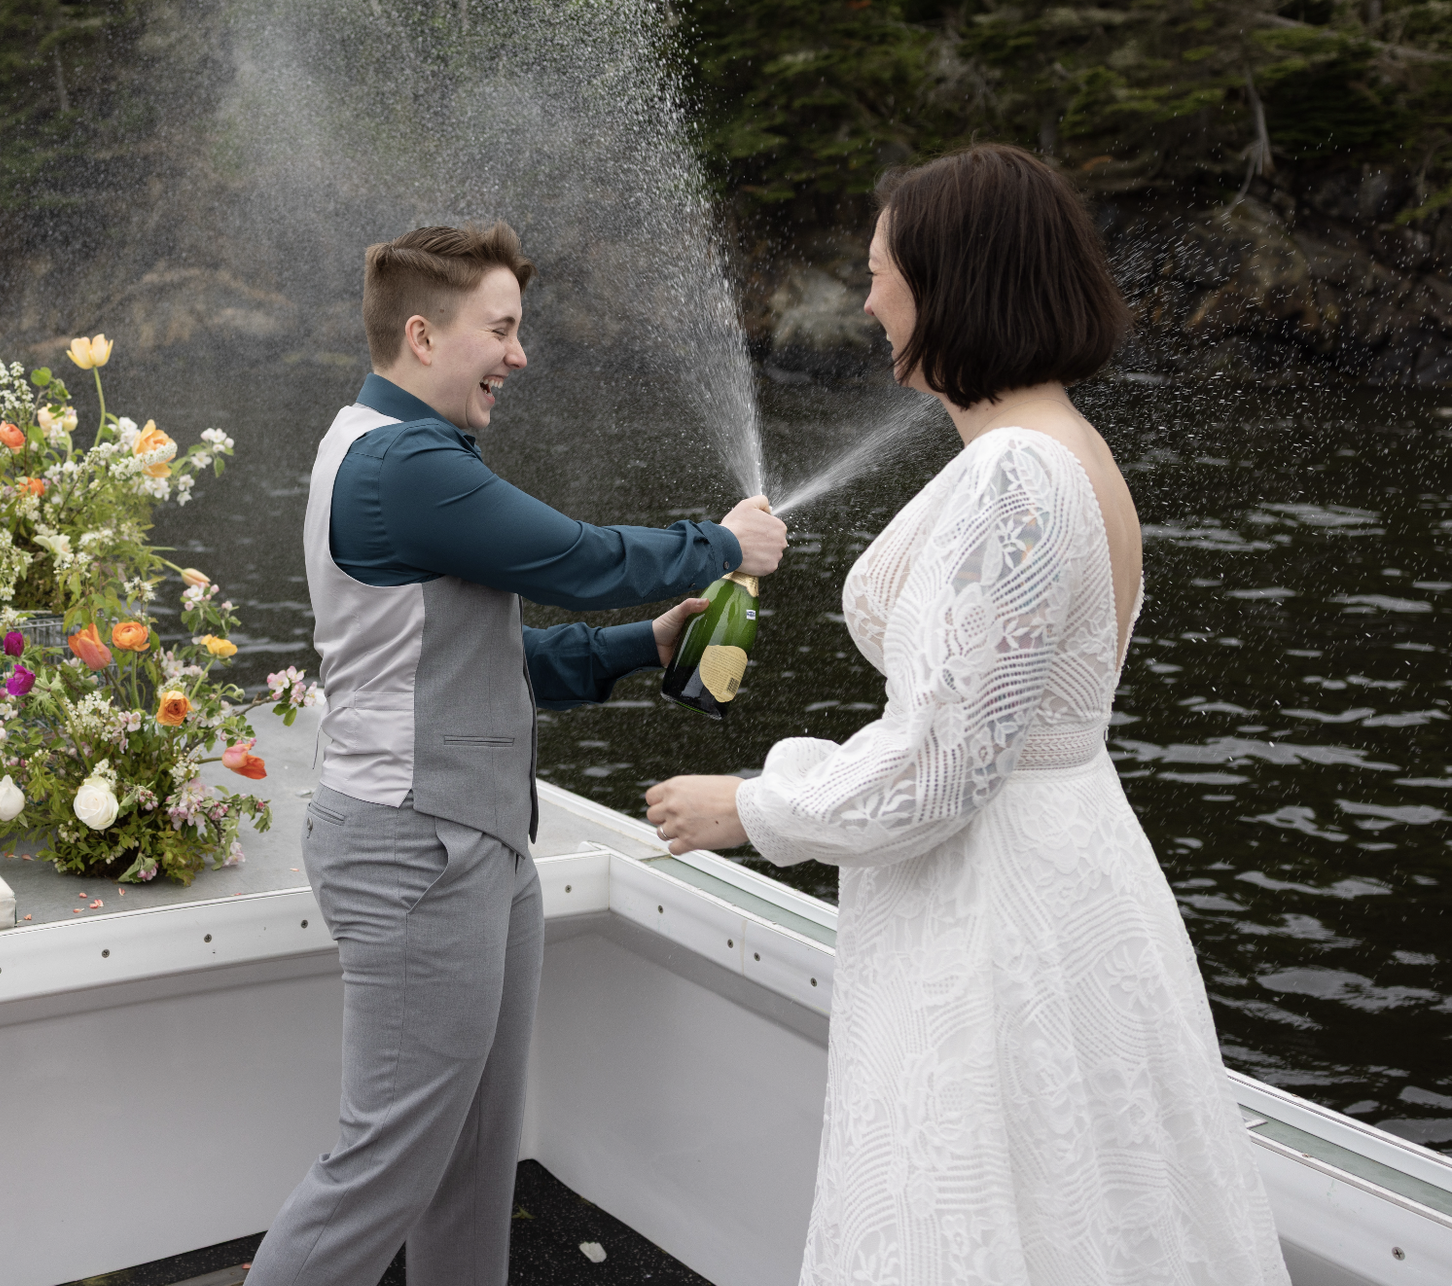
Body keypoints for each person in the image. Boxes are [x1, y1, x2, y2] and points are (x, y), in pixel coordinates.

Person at [645, 146, 1287, 1285]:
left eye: (883, 268)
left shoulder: (1016, 479)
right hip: (1063, 875)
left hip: (997, 909)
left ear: (951, 284)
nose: (867, 295)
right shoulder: (1058, 451)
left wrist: (751, 803)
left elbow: (941, 767)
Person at [248, 222, 785, 1286]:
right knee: (386, 1164)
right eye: (499, 329)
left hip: (476, 845)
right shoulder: (401, 464)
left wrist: (646, 643)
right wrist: (723, 544)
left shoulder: (408, 455)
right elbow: (578, 557)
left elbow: (484, 662)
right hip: (415, 855)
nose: (518, 353)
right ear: (420, 334)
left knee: (475, 1159)